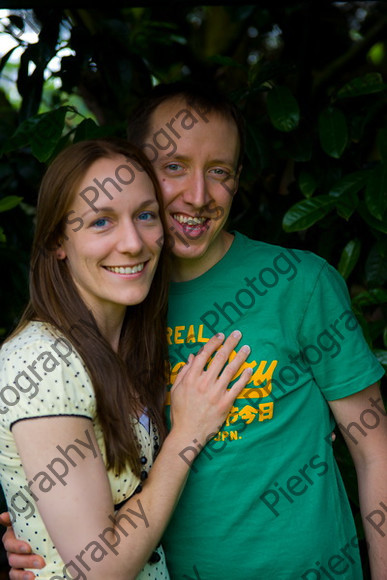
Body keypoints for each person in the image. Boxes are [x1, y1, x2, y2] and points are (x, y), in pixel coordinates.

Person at [2, 83, 387, 578]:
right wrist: (41, 534)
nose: (198, 196)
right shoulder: (116, 303)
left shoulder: (300, 284)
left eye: (220, 172)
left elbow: (375, 451)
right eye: (174, 167)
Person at [0, 136, 253, 579]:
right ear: (59, 240)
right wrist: (187, 435)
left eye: (145, 216)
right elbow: (101, 570)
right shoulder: (43, 363)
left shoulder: (124, 346)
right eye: (101, 222)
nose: (133, 243)